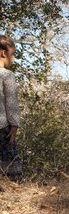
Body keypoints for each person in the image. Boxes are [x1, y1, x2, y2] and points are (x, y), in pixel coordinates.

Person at [0, 36, 22, 182]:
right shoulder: (7, 75)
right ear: (3, 53)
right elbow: (11, 102)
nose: (13, 58)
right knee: (10, 168)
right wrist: (15, 124)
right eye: (12, 54)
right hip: (2, 126)